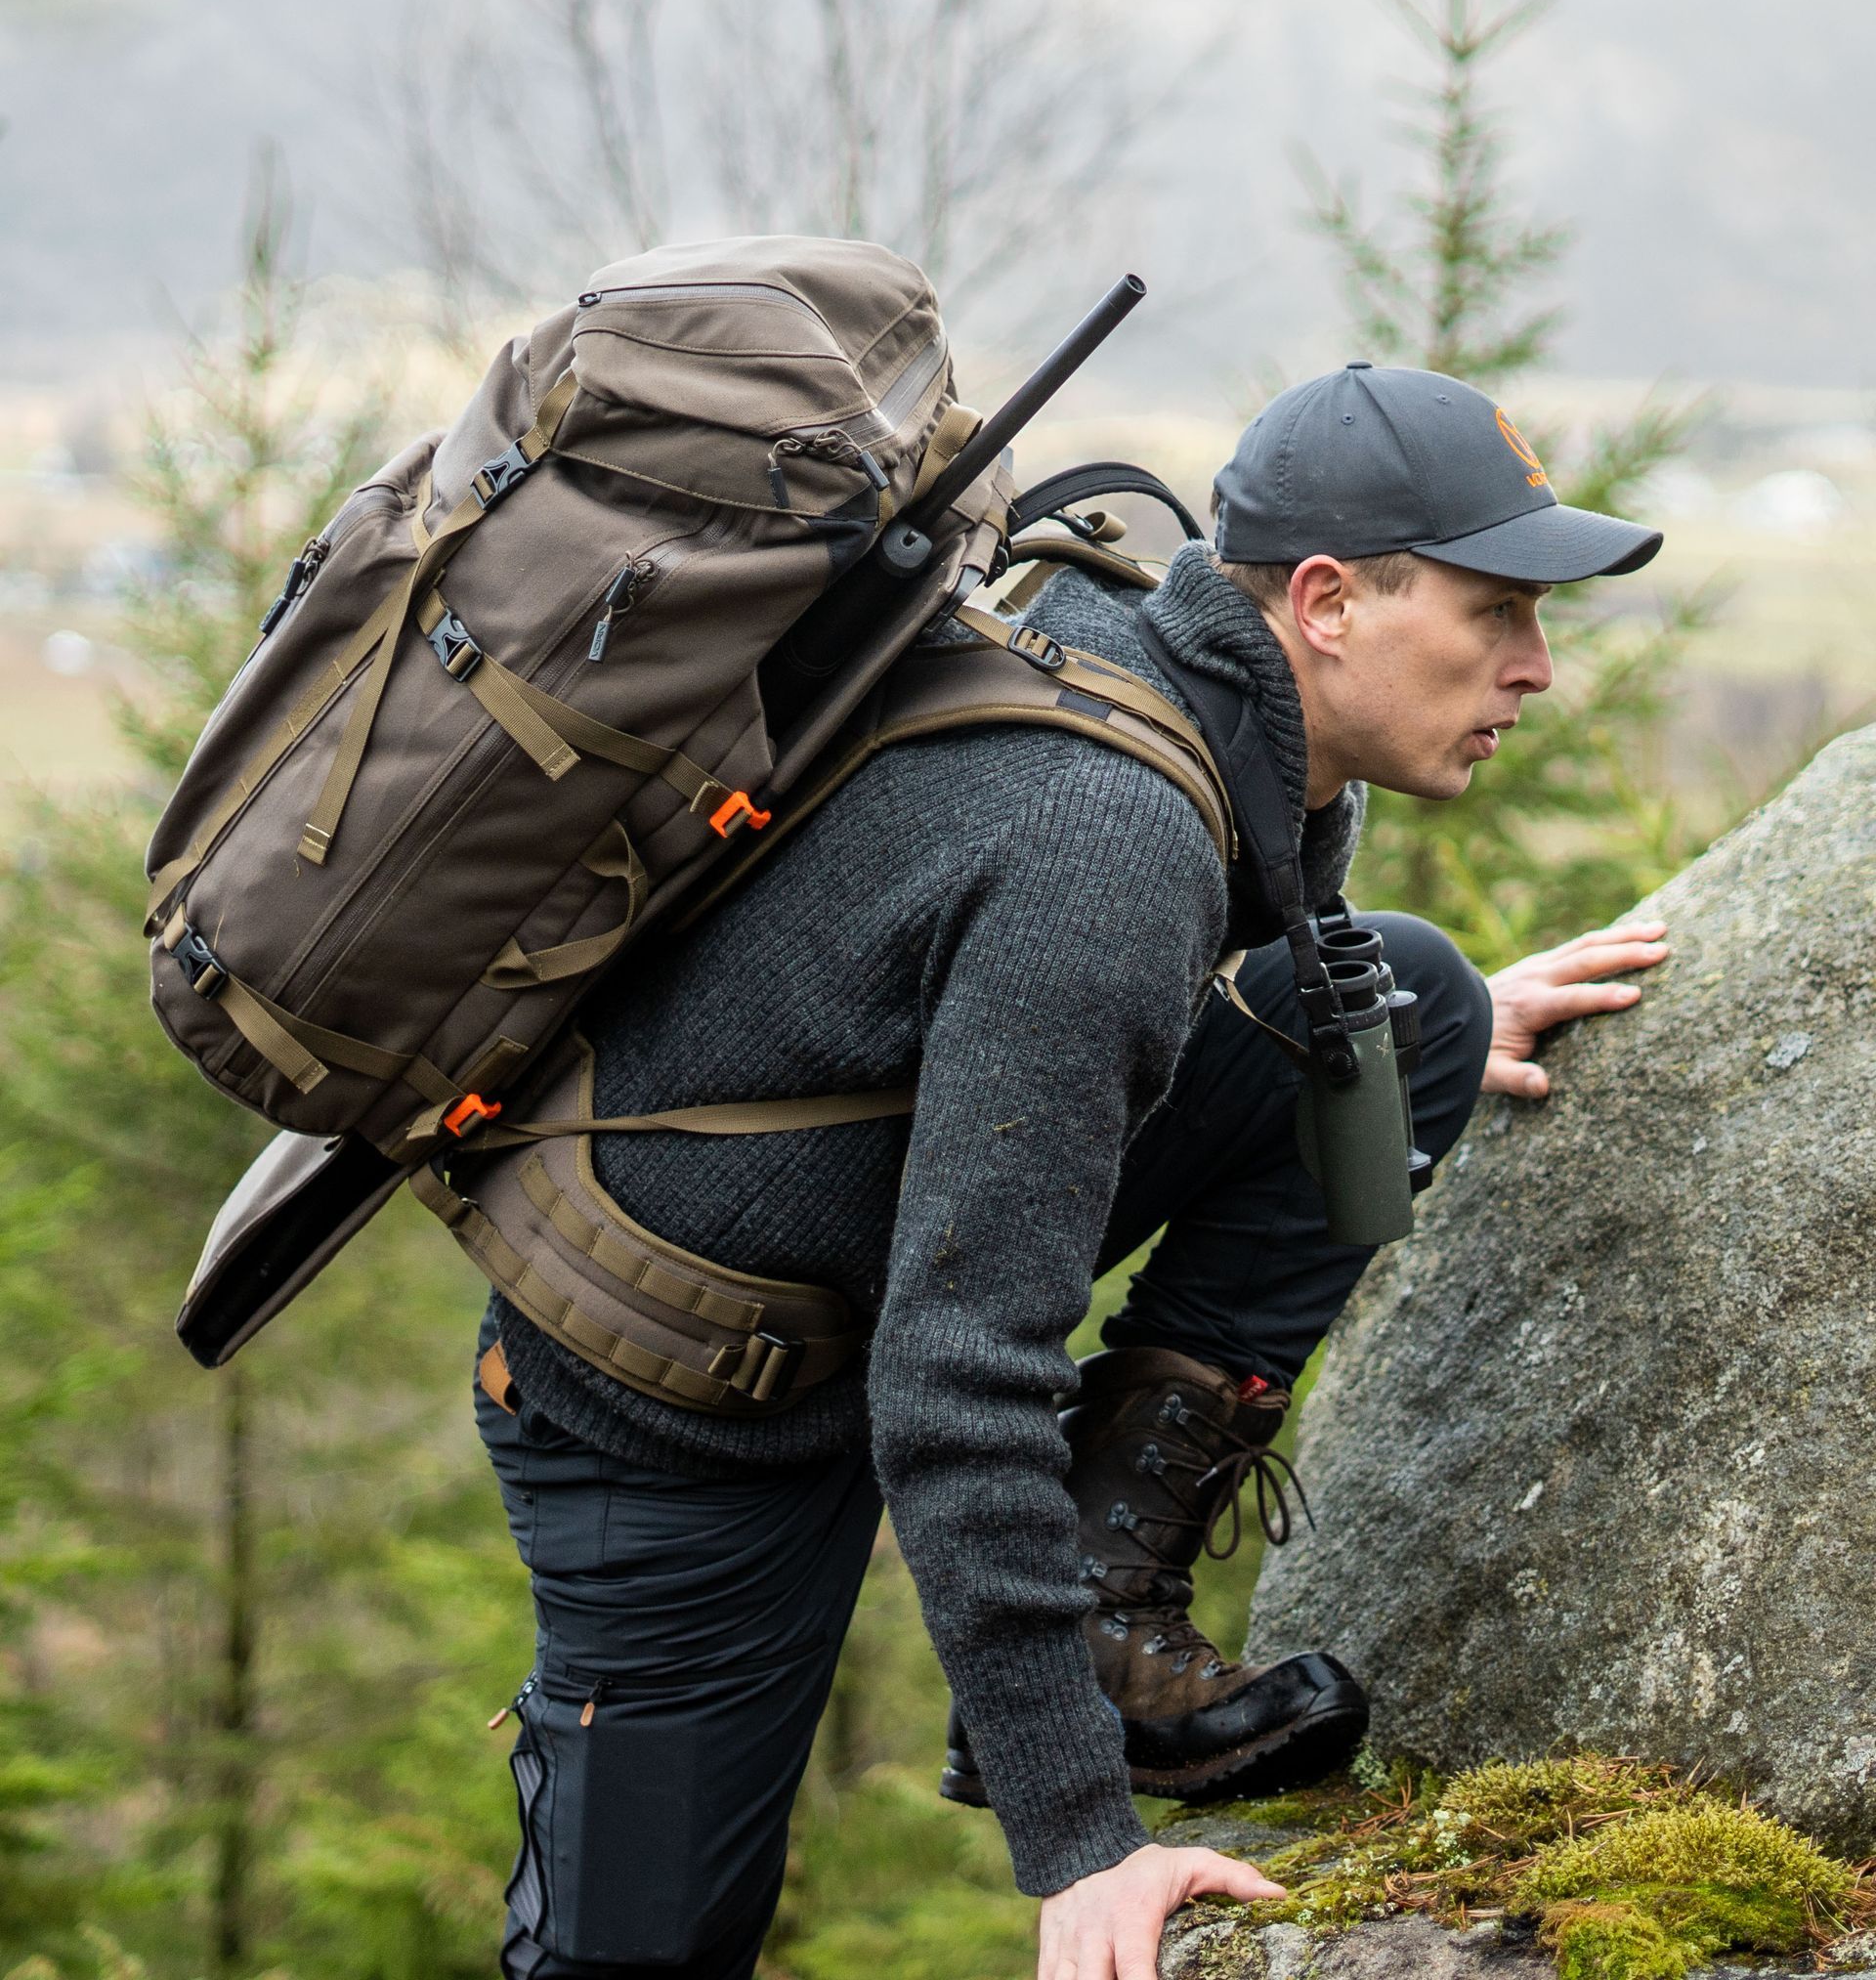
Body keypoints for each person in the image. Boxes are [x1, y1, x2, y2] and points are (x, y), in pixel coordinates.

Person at [473, 363, 1670, 1980]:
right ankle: (1054, 1684)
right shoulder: (1107, 834)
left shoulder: (1181, 684)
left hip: (863, 1237)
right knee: (643, 1953)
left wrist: (1408, 1044)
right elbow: (957, 1374)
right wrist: (1083, 1841)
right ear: (1326, 602)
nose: (1536, 666)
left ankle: (1105, 1612)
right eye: (1497, 613)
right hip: (680, 1390)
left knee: (1406, 1003)